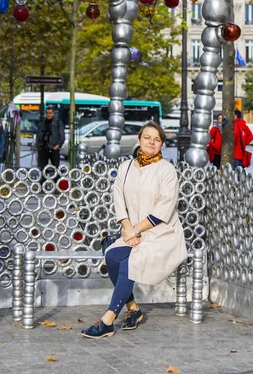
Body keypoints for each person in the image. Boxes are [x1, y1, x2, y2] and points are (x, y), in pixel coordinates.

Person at [80, 121, 187, 339]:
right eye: (147, 137)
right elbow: (118, 198)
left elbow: (164, 209)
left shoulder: (166, 170)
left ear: (161, 145)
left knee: (130, 263)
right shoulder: (126, 167)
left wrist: (136, 230)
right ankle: (134, 309)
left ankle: (108, 319)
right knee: (112, 256)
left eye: (157, 139)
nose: (152, 142)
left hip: (161, 233)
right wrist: (128, 228)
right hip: (134, 231)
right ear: (139, 140)